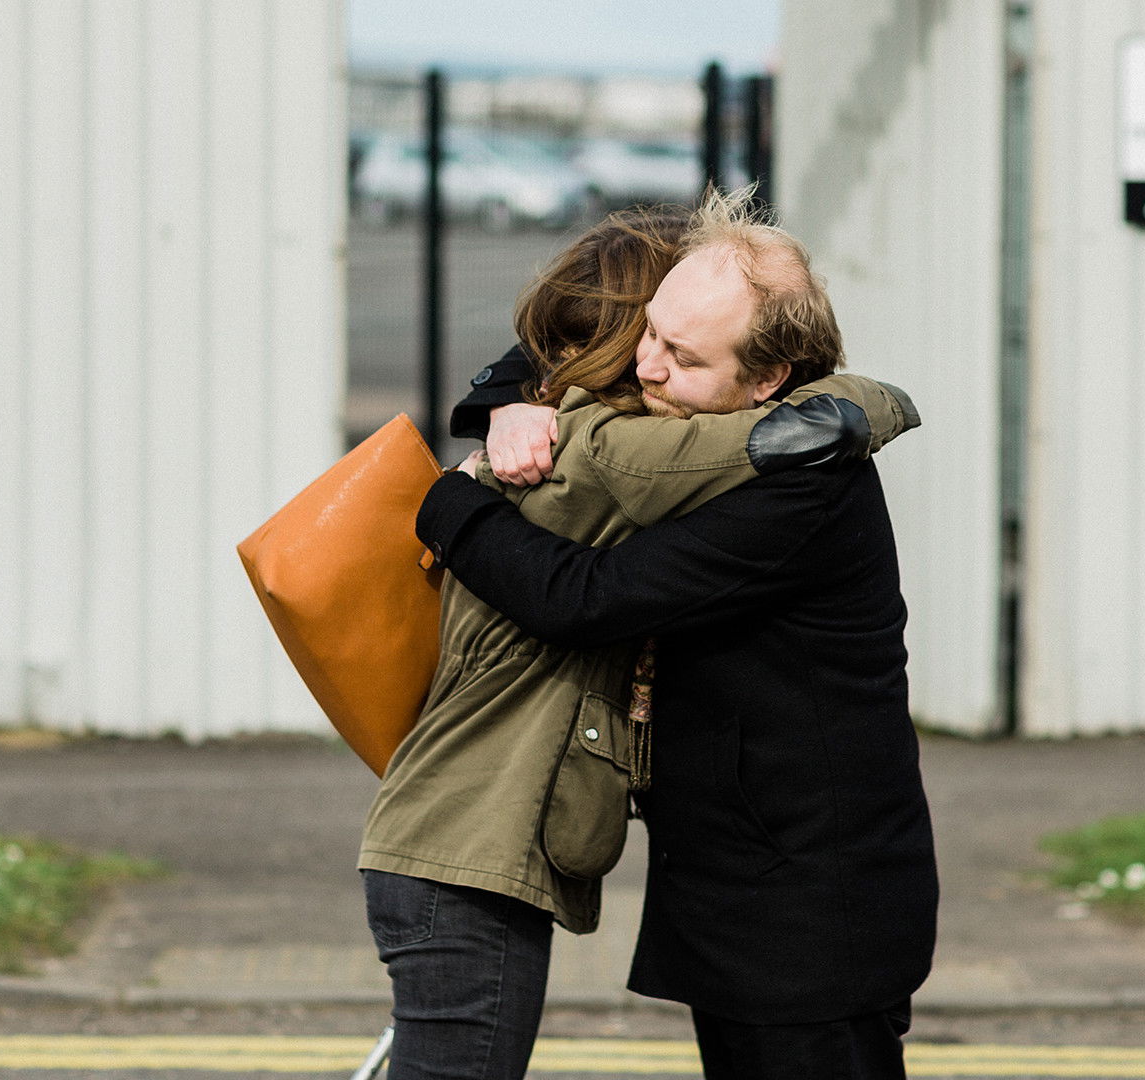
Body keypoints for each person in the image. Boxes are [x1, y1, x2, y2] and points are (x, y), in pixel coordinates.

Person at [358, 197, 918, 1080]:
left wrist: (450, 504)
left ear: (770, 381)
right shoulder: (712, 427)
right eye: (651, 332)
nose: (646, 367)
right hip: (732, 884)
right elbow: (581, 318)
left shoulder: (800, 480)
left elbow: (589, 600)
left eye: (683, 356)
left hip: (810, 907)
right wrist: (507, 400)